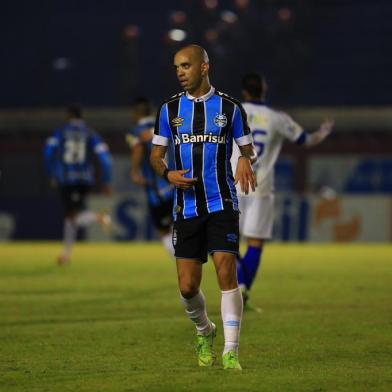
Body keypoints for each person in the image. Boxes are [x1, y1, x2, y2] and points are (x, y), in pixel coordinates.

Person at [150, 44, 257, 370]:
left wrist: (245, 161)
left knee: (227, 271)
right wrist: (167, 173)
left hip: (222, 202)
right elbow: (155, 156)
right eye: (176, 67)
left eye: (185, 66)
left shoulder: (231, 108)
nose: (180, 72)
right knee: (187, 287)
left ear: (204, 67)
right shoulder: (169, 110)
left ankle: (231, 350)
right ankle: (204, 330)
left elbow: (248, 149)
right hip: (186, 208)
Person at [231, 73, 334, 307]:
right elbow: (305, 140)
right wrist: (323, 132)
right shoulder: (277, 118)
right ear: (263, 90)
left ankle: (239, 286)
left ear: (244, 92)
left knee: (226, 242)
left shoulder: (231, 111)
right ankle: (243, 289)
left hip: (231, 185)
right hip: (261, 188)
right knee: (255, 243)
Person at [44, 105, 113, 265]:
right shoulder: (90, 133)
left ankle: (99, 217)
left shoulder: (60, 132)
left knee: (73, 216)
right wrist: (106, 180)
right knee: (71, 216)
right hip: (85, 179)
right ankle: (66, 255)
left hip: (67, 179)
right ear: (82, 117)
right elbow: (105, 159)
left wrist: (52, 173)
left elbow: (48, 152)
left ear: (68, 117)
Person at [126, 97, 175, 257]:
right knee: (185, 227)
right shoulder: (164, 125)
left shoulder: (136, 132)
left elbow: (138, 148)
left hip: (158, 191)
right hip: (177, 182)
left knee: (164, 231)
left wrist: (134, 171)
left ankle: (184, 268)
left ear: (135, 113)